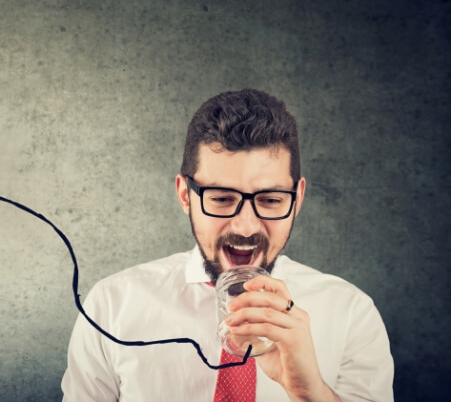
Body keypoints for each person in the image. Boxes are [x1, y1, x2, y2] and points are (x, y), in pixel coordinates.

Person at [61, 90, 393, 401]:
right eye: (221, 198)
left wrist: (311, 393)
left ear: (298, 198)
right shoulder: (110, 306)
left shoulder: (352, 313)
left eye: (271, 199)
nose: (246, 227)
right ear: (184, 195)